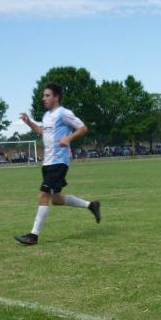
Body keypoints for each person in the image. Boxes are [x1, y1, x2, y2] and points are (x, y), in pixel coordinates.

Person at [14, 82, 101, 245]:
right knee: (57, 199)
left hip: (58, 161)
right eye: (44, 95)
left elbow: (83, 128)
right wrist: (29, 123)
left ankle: (33, 236)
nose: (43, 98)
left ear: (56, 97)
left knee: (43, 195)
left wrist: (68, 138)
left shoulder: (63, 113)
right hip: (48, 163)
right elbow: (42, 131)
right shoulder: (47, 116)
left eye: (47, 95)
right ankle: (91, 205)